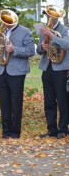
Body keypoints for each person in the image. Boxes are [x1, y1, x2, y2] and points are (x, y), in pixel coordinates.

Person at [0, 9, 35, 139]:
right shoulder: (2, 31)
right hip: (3, 70)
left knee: (15, 103)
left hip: (17, 72)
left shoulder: (25, 31)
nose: (6, 21)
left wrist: (14, 49)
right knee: (4, 102)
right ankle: (6, 131)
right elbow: (0, 50)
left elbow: (31, 50)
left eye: (8, 18)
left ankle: (15, 132)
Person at [37, 10, 69, 139]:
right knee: (49, 100)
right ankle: (51, 129)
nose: (49, 18)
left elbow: (66, 45)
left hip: (60, 68)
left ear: (57, 17)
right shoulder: (43, 29)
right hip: (47, 67)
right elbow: (38, 51)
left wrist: (52, 36)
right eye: (48, 15)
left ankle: (63, 128)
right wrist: (42, 46)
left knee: (62, 100)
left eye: (52, 16)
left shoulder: (65, 29)